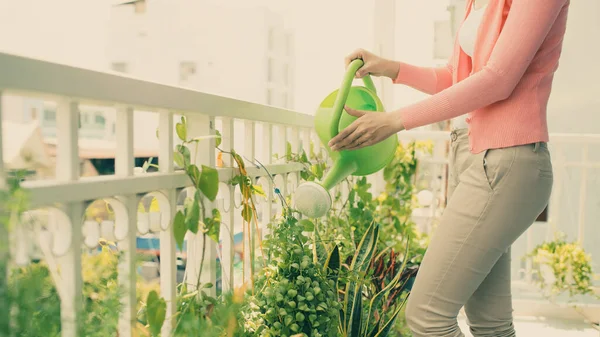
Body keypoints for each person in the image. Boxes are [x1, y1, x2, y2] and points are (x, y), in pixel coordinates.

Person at [328, 0, 571, 336]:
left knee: (427, 317)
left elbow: (498, 80)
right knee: (492, 324)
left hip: (505, 162)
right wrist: (390, 67)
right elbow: (458, 79)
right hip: (474, 159)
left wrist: (396, 120)